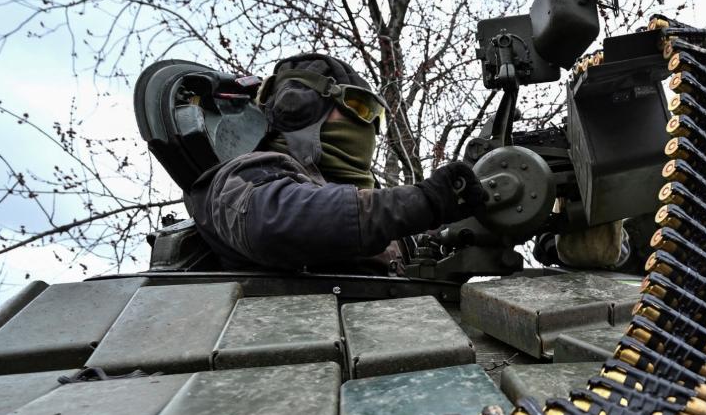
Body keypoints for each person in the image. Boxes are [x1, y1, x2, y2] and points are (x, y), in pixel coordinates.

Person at [184, 53, 486, 273]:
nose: (368, 126)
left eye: (373, 115)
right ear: (300, 108)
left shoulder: (374, 213)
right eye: (357, 106)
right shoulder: (245, 177)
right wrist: (424, 201)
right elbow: (281, 222)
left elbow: (422, 247)